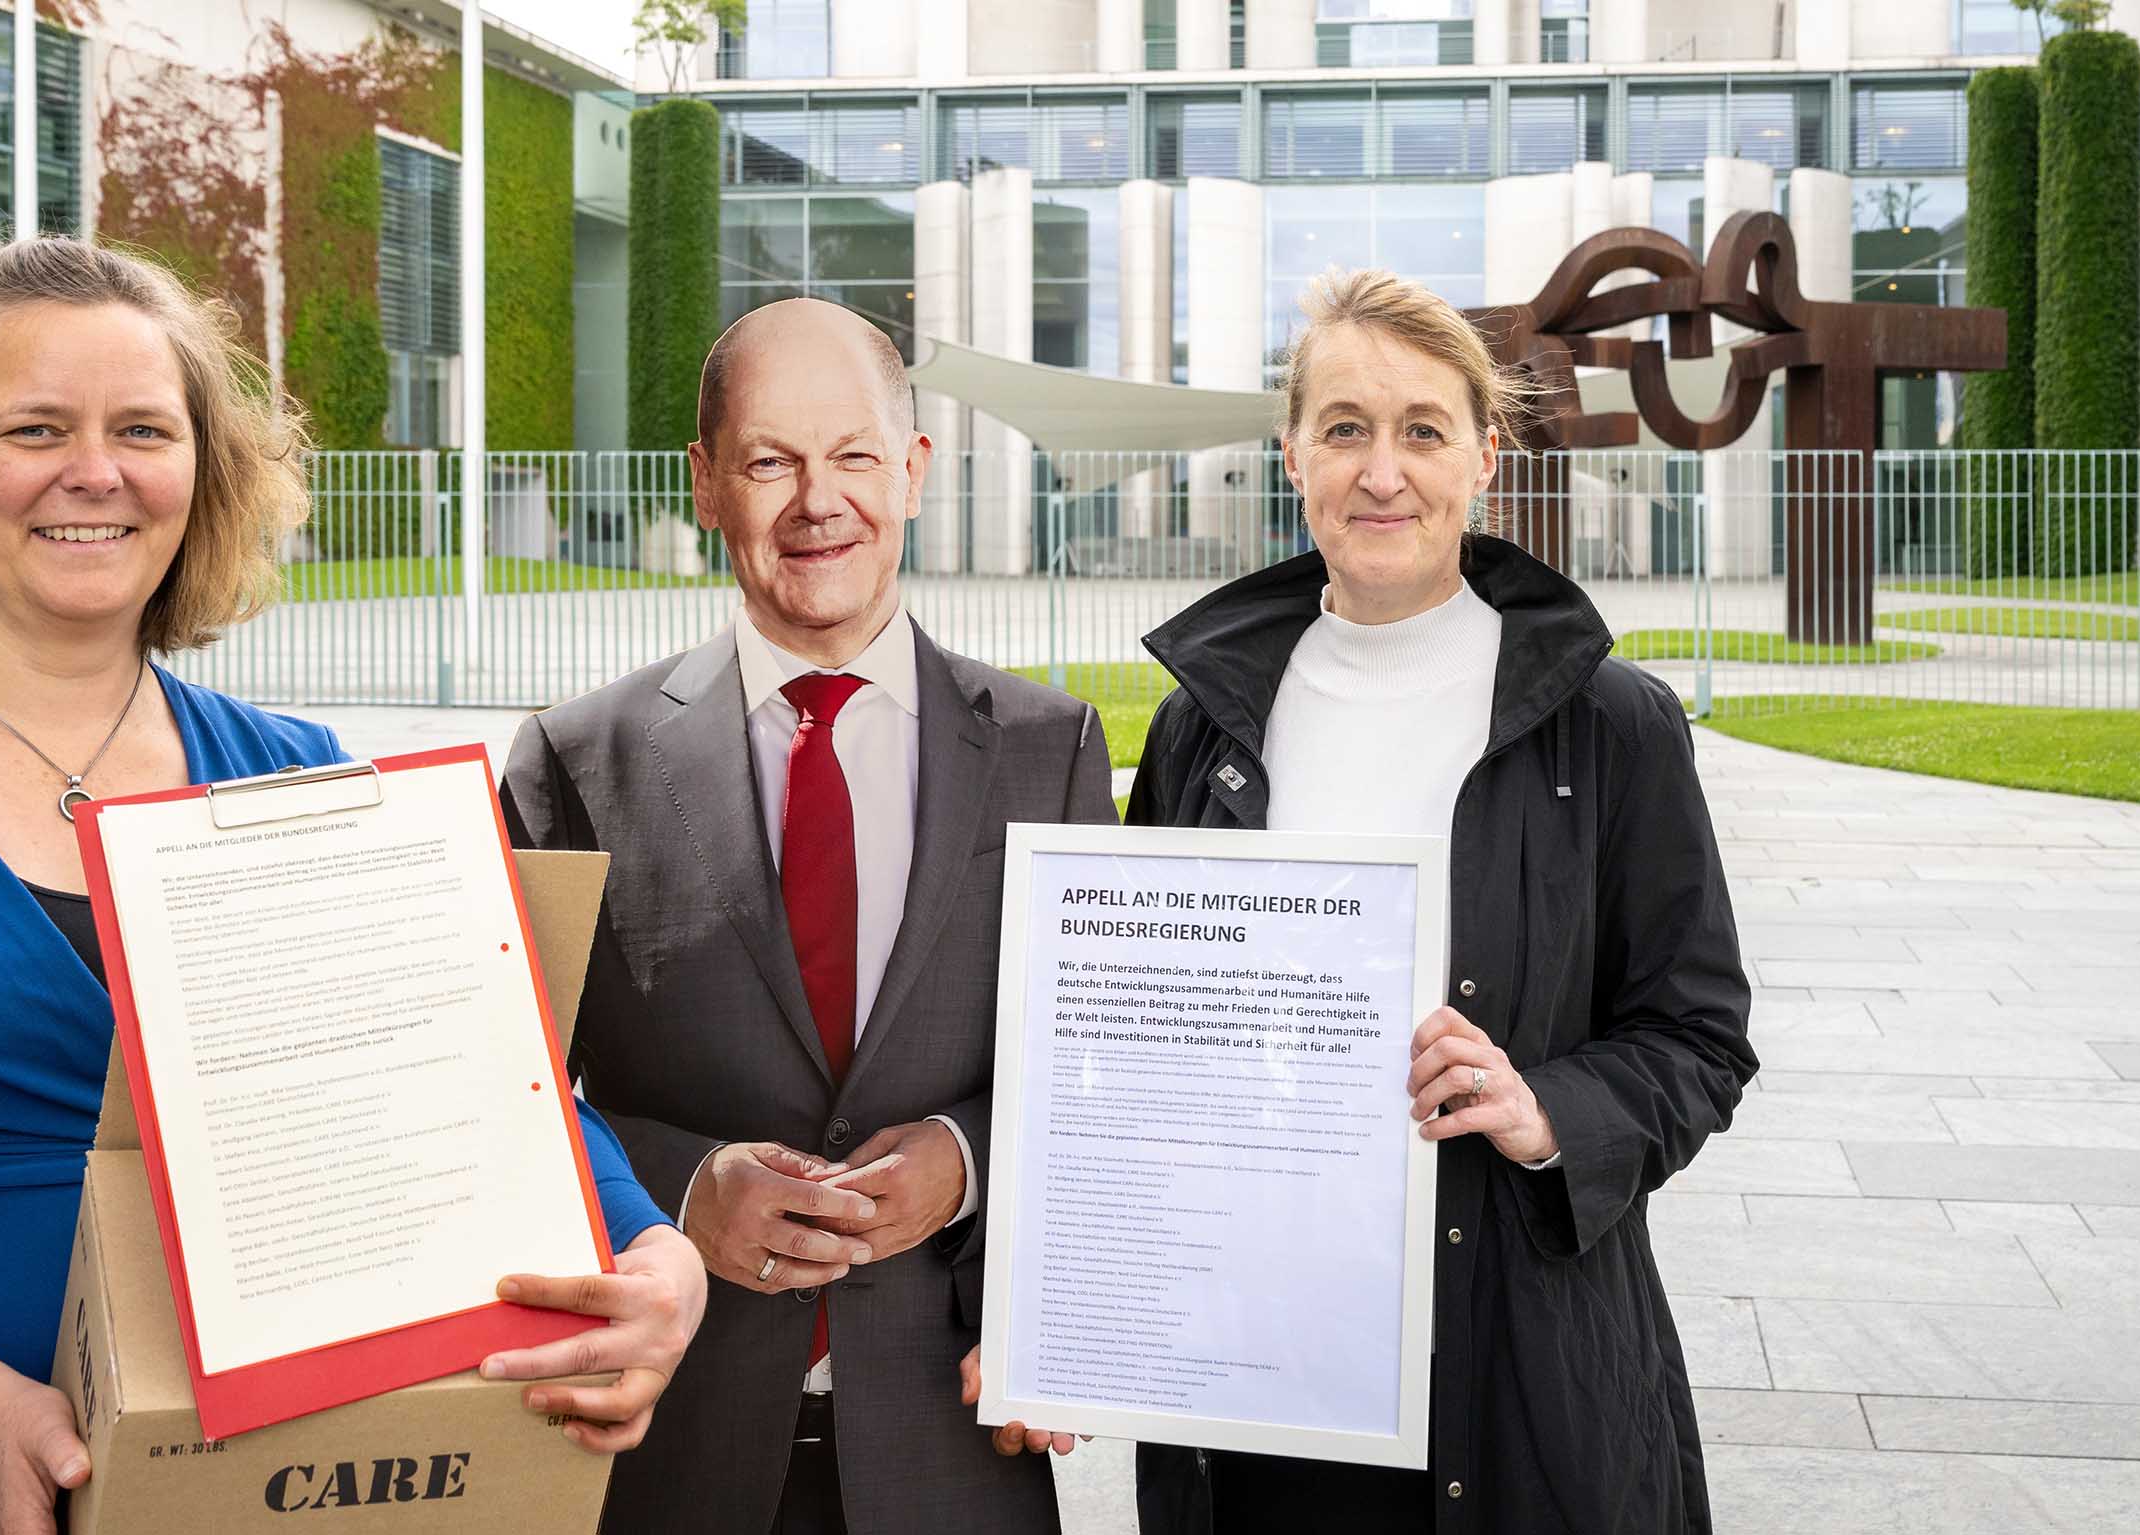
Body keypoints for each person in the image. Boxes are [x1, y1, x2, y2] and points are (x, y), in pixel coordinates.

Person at [0, 237, 707, 1535]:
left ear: (201, 470)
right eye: (34, 425)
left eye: (143, 428)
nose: (94, 471)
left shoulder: (294, 778)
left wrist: (651, 1248)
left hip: (239, 1497)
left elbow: (472, 1088)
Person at [1123, 268, 1754, 1533]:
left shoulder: (1607, 726)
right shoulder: (1200, 726)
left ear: (1483, 456)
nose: (1381, 470)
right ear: (1290, 450)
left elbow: (1696, 1038)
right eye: (1345, 426)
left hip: (1520, 1372)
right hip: (1255, 1381)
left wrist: (1542, 1108)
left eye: (1421, 429)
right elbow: (1134, 1055)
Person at [498, 296, 1113, 1535]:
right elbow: (499, 1096)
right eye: (769, 460)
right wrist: (676, 1189)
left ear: (915, 471)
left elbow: (1098, 1069)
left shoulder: (1049, 750)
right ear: (705, 484)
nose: (814, 501)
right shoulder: (575, 758)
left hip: (955, 1444)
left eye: (851, 457)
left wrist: (967, 1154)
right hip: (669, 1448)